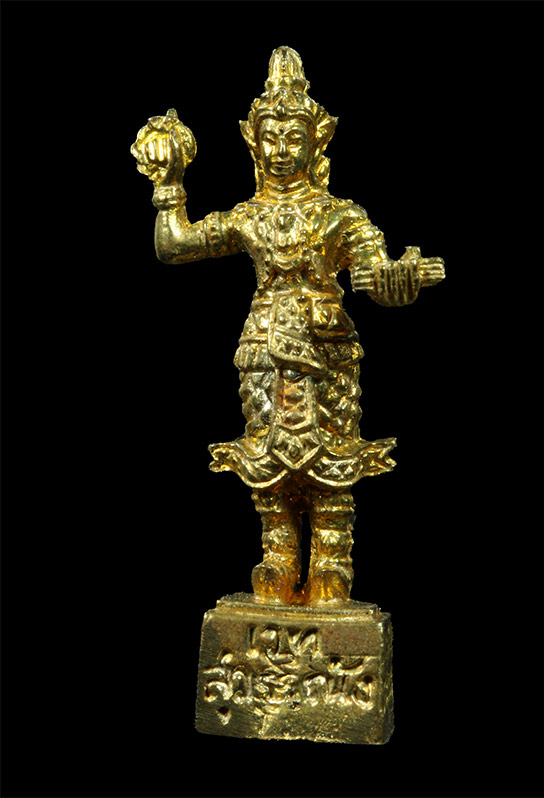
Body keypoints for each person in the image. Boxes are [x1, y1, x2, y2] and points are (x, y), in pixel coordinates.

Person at [132, 46, 445, 605]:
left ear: (316, 142)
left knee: (332, 452)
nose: (281, 151)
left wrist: (398, 280)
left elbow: (375, 274)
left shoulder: (340, 215)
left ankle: (331, 559)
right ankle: (277, 556)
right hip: (262, 351)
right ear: (253, 143)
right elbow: (175, 246)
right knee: (266, 453)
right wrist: (169, 181)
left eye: (293, 138)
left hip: (326, 350)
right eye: (270, 138)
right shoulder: (248, 215)